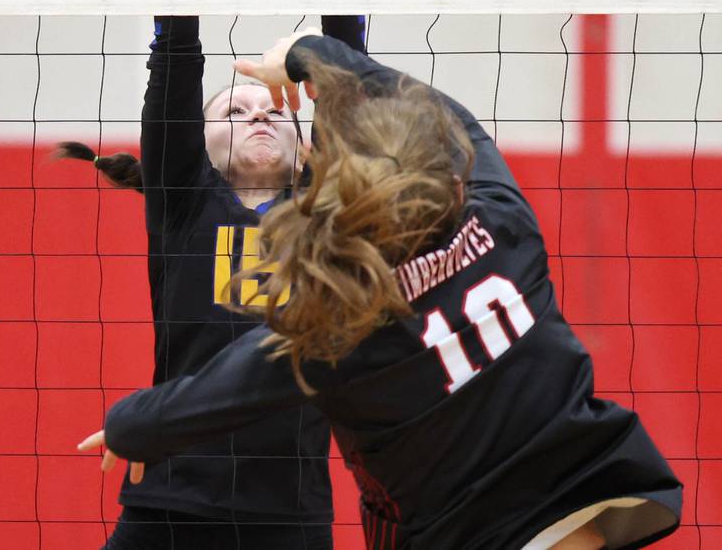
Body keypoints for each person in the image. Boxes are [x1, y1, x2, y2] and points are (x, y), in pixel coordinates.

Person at [79, 30, 683, 550]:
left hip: (466, 525)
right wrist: (314, 52)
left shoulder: (344, 324)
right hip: (581, 484)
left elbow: (235, 381)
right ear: (443, 176)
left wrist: (135, 421)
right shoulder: (499, 216)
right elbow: (448, 120)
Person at [64, 0, 372, 549]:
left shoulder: (324, 210)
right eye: (234, 109)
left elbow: (350, 67)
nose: (260, 110)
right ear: (195, 146)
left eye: (275, 107)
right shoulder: (183, 199)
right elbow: (174, 47)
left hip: (289, 520)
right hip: (169, 508)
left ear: (309, 143)